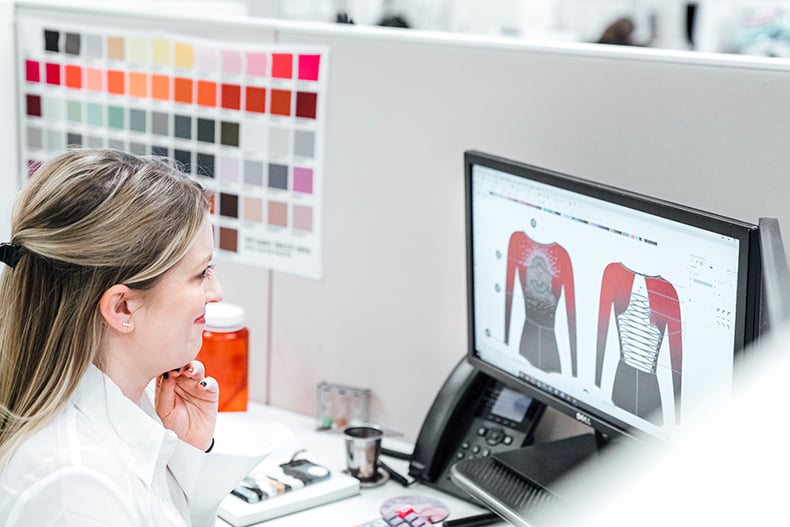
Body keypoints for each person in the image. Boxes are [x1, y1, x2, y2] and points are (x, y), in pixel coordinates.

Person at [0, 148, 235, 525]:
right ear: (123, 308)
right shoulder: (75, 490)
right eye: (201, 273)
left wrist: (189, 452)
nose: (217, 291)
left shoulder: (132, 405)